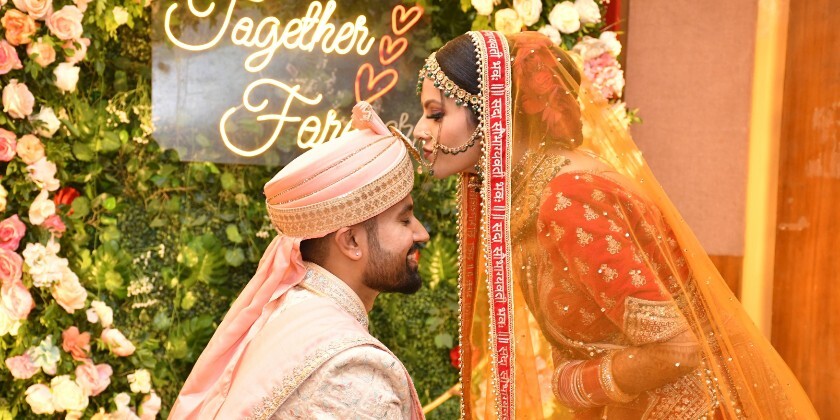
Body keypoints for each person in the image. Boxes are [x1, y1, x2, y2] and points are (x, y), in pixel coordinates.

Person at [408, 30, 817, 419]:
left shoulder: (567, 198)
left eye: (437, 114)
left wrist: (573, 384)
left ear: (494, 111)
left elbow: (678, 347)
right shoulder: (534, 191)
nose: (421, 132)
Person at [170, 103, 428, 419]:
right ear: (351, 241)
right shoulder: (352, 372)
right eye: (405, 220)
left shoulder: (292, 310)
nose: (422, 233)